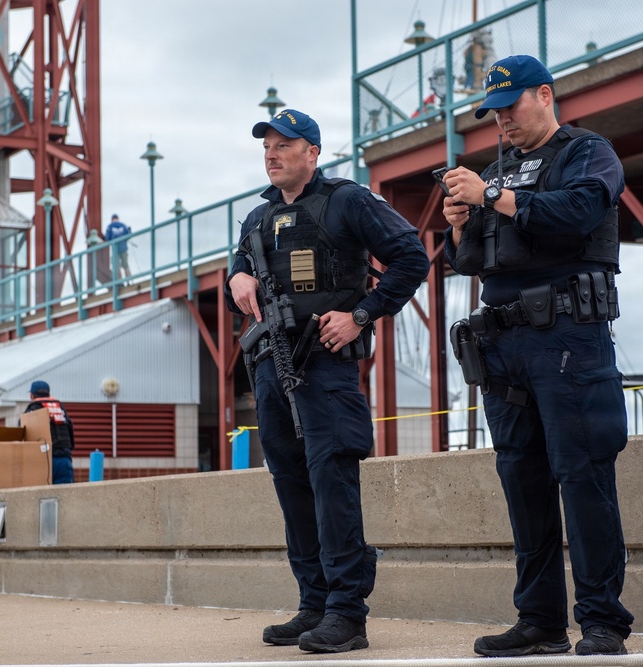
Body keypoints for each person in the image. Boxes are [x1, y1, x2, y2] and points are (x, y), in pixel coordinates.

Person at [439, 55, 634, 657]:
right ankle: (540, 621)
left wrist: (490, 194)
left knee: (583, 476)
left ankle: (601, 621)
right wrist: (456, 226)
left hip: (569, 337)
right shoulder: (499, 169)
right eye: (494, 112)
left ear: (545, 95)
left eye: (511, 106)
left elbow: (578, 211)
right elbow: (470, 260)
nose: (501, 120)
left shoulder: (586, 152)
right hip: (504, 344)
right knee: (521, 480)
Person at [224, 109, 429, 653]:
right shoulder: (256, 220)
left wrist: (361, 315)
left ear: (312, 152)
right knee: (291, 483)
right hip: (272, 363)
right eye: (266, 146)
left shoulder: (347, 200)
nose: (271, 154)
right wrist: (236, 276)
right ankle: (313, 604)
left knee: (331, 482)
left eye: (284, 145)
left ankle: (346, 613)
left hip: (326, 364)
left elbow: (412, 259)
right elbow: (237, 276)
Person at [25, 380, 75, 484]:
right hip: (64, 461)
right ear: (49, 394)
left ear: (31, 396)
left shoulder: (31, 410)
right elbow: (70, 433)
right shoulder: (60, 408)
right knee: (66, 498)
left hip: (43, 462)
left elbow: (24, 438)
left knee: (42, 498)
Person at [105, 214, 132, 279]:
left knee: (117, 267)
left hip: (115, 249)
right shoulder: (123, 225)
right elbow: (128, 235)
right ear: (118, 218)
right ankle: (129, 281)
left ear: (112, 220)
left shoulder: (110, 227)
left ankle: (120, 282)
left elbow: (108, 238)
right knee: (126, 265)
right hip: (124, 248)